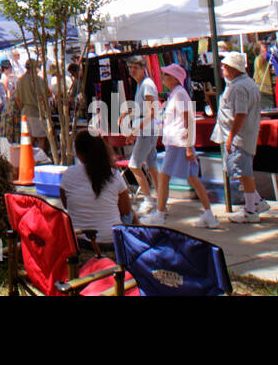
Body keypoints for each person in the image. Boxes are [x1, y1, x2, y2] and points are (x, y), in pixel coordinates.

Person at [142, 64, 218, 228]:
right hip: (178, 142)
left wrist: (189, 146)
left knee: (164, 178)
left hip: (178, 143)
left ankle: (160, 215)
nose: (163, 79)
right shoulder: (176, 94)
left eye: (166, 76)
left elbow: (188, 120)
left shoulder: (179, 95)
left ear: (175, 78)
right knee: (193, 179)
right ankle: (208, 214)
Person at [213, 51, 270, 222]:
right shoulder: (246, 83)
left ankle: (251, 210)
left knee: (243, 172)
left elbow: (240, 114)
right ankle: (256, 202)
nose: (222, 69)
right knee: (241, 171)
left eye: (225, 66)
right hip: (242, 135)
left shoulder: (238, 87)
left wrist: (231, 136)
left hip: (239, 137)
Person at [60, 130, 134, 251]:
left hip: (79, 241)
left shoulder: (68, 175)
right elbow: (126, 211)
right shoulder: (114, 175)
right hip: (111, 241)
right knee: (131, 214)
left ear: (78, 153)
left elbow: (66, 205)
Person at [120, 58, 159, 216]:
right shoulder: (140, 85)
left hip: (147, 131)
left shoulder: (147, 84)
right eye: (130, 67)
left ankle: (149, 200)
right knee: (152, 167)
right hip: (146, 130)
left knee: (135, 165)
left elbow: (152, 111)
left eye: (136, 67)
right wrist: (126, 113)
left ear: (143, 69)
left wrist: (135, 130)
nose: (132, 70)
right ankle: (160, 200)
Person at [14, 59, 48, 150]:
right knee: (41, 138)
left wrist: (22, 109)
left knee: (29, 140)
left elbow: (17, 99)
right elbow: (43, 96)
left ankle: (31, 160)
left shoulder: (20, 81)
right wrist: (47, 111)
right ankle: (41, 160)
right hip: (36, 112)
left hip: (25, 112)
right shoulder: (37, 79)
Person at [252, 41, 275, 110]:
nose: (266, 48)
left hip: (268, 91)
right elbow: (263, 57)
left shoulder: (266, 60)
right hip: (262, 91)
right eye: (264, 47)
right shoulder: (259, 59)